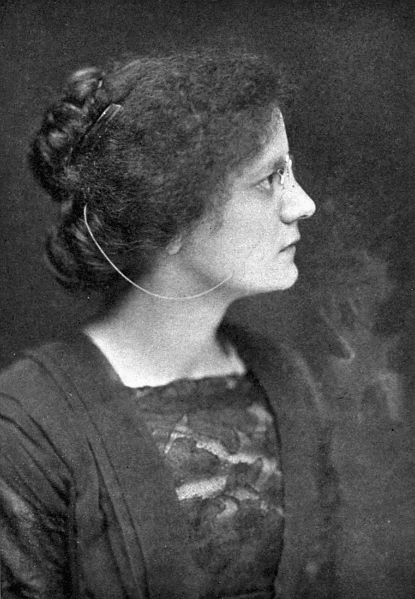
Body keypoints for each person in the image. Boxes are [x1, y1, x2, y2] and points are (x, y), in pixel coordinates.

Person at [0, 50, 335, 599]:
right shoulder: (27, 425)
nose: (303, 205)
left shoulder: (287, 381)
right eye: (269, 178)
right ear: (172, 216)